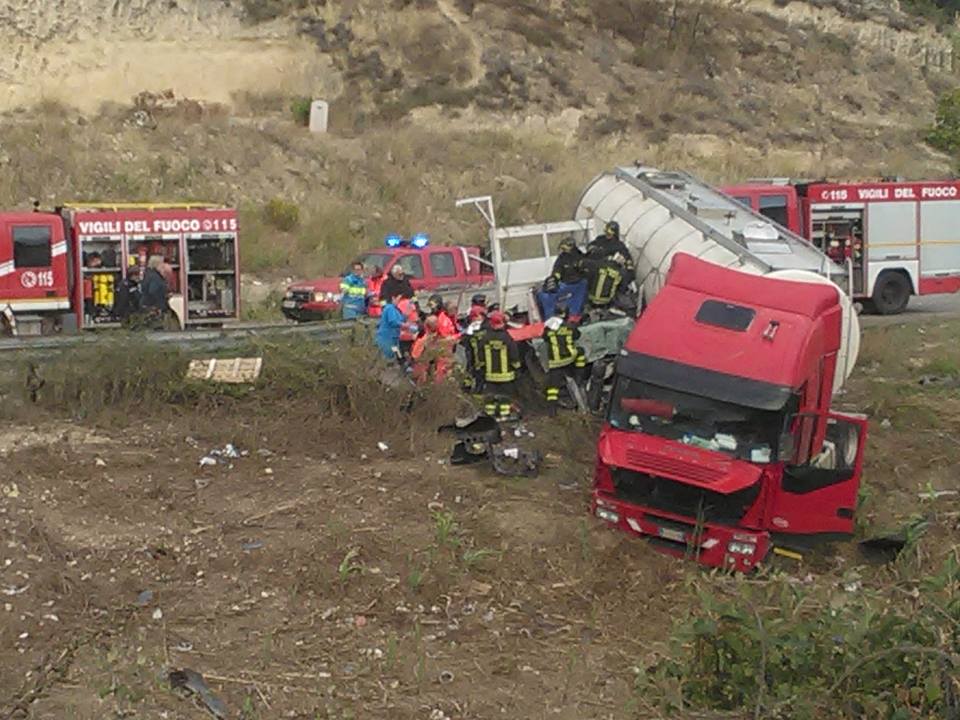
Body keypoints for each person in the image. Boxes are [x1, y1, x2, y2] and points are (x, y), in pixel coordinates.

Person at [542, 305, 587, 415]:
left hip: (555, 362)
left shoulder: (548, 328)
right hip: (570, 358)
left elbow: (545, 338)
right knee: (581, 352)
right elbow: (577, 336)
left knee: (553, 388)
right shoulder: (571, 326)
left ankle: (552, 411)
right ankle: (580, 376)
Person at [478, 311, 521, 419]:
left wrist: (482, 369)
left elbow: (480, 356)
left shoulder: (484, 338)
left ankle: (490, 417)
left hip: (490, 376)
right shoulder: (507, 338)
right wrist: (517, 369)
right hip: (506, 376)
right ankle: (504, 415)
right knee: (505, 397)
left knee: (490, 398)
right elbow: (514, 355)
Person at [539, 237, 588, 318]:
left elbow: (587, 269)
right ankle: (550, 317)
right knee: (544, 294)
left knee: (582, 288)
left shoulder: (581, 257)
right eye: (562, 249)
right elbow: (557, 271)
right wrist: (555, 278)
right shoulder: (562, 258)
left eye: (564, 248)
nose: (563, 250)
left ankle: (574, 316)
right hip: (565, 284)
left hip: (580, 284)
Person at [411, 316, 454, 385]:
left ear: (426, 327)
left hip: (425, 363)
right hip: (433, 364)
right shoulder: (444, 339)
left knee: (421, 378)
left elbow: (415, 356)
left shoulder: (423, 341)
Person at [376, 292, 414, 361]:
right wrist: (406, 325)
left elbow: (401, 319)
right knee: (389, 358)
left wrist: (406, 315)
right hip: (387, 338)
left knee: (397, 356)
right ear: (393, 298)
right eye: (399, 299)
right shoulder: (390, 308)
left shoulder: (395, 309)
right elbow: (393, 322)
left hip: (394, 339)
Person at [140, 255, 169, 329]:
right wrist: (163, 298)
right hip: (154, 307)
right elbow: (153, 291)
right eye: (162, 264)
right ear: (157, 264)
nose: (163, 266)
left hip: (148, 305)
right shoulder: (155, 277)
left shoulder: (148, 274)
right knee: (156, 327)